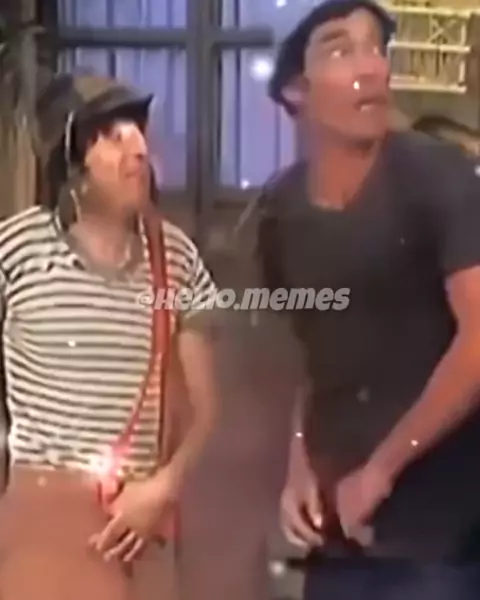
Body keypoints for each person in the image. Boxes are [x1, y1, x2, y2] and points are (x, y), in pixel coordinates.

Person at [256, 1, 480, 598]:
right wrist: (299, 467)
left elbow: (478, 338)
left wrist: (382, 469)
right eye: (339, 49)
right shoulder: (281, 210)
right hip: (336, 539)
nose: (369, 68)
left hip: (439, 539)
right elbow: (311, 358)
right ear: (295, 88)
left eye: (376, 48)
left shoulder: (439, 177)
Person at [0, 72, 219, 599]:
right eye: (114, 137)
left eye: (139, 131)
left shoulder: (175, 257)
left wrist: (164, 486)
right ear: (72, 164)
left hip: (138, 523)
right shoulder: (17, 250)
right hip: (42, 518)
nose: (138, 148)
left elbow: (206, 409)